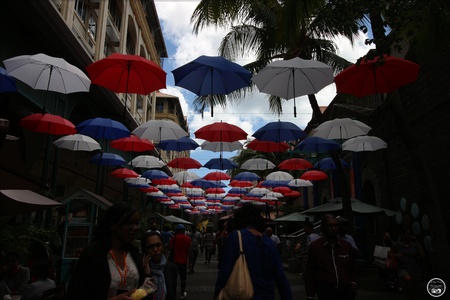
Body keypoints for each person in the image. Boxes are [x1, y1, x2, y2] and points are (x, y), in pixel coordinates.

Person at [66, 202, 146, 300]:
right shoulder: (93, 254)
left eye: (137, 223)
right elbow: (76, 293)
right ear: (113, 225)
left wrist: (146, 287)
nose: (134, 228)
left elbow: (139, 288)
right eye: (128, 223)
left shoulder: (134, 253)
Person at [214, 203, 292, 300]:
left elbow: (225, 271)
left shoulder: (236, 237)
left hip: (242, 295)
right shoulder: (270, 243)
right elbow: (281, 278)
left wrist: (217, 293)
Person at [305, 214, 358, 300]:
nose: (334, 228)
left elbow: (353, 267)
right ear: (323, 227)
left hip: (346, 291)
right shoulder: (315, 247)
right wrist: (310, 295)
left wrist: (353, 283)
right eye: (330, 226)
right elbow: (310, 272)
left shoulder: (346, 245)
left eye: (336, 225)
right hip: (326, 292)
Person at [389, 229, 425, 300]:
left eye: (409, 235)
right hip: (403, 267)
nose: (408, 236)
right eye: (406, 234)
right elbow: (389, 254)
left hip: (414, 267)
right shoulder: (398, 244)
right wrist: (397, 255)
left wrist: (417, 241)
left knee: (414, 285)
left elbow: (422, 255)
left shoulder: (414, 245)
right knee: (408, 279)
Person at [141, 231, 178, 300]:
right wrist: (147, 275)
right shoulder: (140, 269)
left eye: (158, 245)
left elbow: (173, 294)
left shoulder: (171, 268)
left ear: (163, 246)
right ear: (144, 249)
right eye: (150, 247)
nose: (155, 250)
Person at [169, 224, 191, 300]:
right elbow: (189, 251)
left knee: (174, 278)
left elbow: (170, 248)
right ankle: (182, 293)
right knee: (183, 279)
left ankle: (174, 293)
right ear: (183, 230)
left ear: (178, 230)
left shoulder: (174, 238)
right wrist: (190, 262)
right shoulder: (188, 239)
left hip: (174, 261)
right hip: (183, 262)